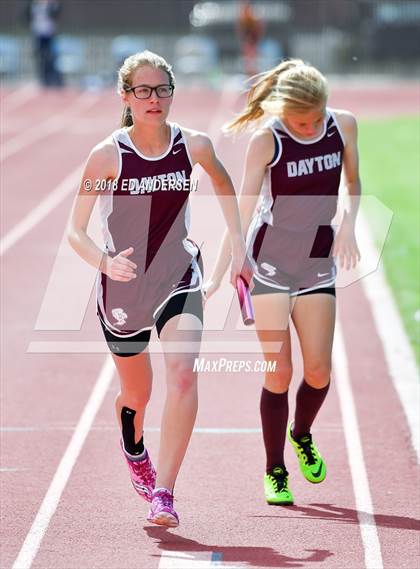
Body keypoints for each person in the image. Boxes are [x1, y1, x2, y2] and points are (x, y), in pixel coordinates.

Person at [68, 50, 252, 526]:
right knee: (138, 395)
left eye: (162, 90)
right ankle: (135, 449)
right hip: (125, 290)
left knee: (185, 375)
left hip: (179, 275)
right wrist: (104, 262)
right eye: (143, 91)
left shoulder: (193, 145)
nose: (154, 99)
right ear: (126, 96)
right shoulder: (108, 154)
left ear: (172, 92)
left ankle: (164, 491)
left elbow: (225, 186)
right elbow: (76, 230)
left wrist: (239, 252)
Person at [205, 59, 361, 505]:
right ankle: (275, 469)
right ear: (281, 111)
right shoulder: (267, 140)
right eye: (299, 121)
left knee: (318, 370)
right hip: (270, 264)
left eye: (315, 119)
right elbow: (243, 209)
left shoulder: (343, 126)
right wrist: (222, 272)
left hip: (316, 261)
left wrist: (348, 224)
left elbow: (354, 183)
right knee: (280, 371)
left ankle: (302, 433)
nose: (309, 127)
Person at [24, 0, 63, 87]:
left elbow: (56, 14)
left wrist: (52, 6)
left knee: (51, 57)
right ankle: (43, 80)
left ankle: (54, 79)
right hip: (38, 34)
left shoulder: (51, 5)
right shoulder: (33, 5)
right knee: (40, 57)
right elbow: (26, 16)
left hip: (49, 34)